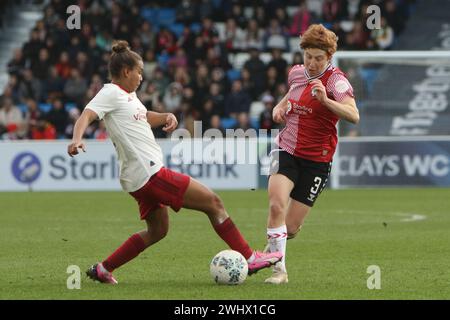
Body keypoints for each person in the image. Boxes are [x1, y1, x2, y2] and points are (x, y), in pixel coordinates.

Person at [67, 40, 282, 284]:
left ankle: (104, 269)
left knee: (158, 231)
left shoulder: (129, 97)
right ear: (126, 71)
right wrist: (77, 139)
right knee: (213, 202)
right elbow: (86, 114)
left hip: (138, 178)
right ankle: (249, 256)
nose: (141, 77)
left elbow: (144, 117)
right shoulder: (110, 93)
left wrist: (166, 116)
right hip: (150, 174)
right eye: (139, 72)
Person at [264, 24, 359, 284]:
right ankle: (278, 270)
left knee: (291, 228)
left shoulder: (336, 81)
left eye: (319, 58)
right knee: (276, 205)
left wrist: (327, 101)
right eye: (308, 56)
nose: (312, 63)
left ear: (329, 57)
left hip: (317, 160)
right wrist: (278, 108)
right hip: (286, 149)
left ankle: (274, 244)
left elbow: (354, 115)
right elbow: (290, 94)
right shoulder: (296, 73)